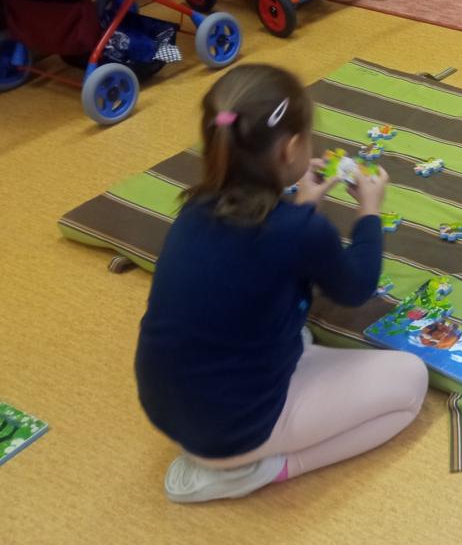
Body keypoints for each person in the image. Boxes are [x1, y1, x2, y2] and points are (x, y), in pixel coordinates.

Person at [134, 64, 428, 503]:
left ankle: (240, 450)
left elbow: (255, 255)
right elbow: (356, 287)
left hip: (166, 407)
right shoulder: (300, 230)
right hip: (235, 429)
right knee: (410, 382)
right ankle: (262, 469)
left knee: (287, 328)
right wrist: (369, 212)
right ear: (291, 150)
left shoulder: (195, 206)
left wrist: (302, 204)